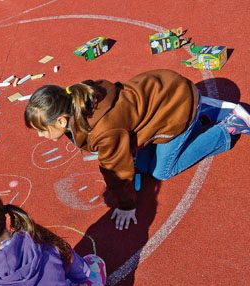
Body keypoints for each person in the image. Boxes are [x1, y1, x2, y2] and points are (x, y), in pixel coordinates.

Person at [24, 69, 250, 230]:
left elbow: (117, 171)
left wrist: (126, 205)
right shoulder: (78, 98)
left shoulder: (104, 131)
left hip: (178, 105)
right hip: (164, 89)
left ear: (62, 121)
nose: (40, 135)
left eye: (41, 130)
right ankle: (200, 118)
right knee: (141, 164)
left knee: (163, 171)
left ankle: (229, 126)